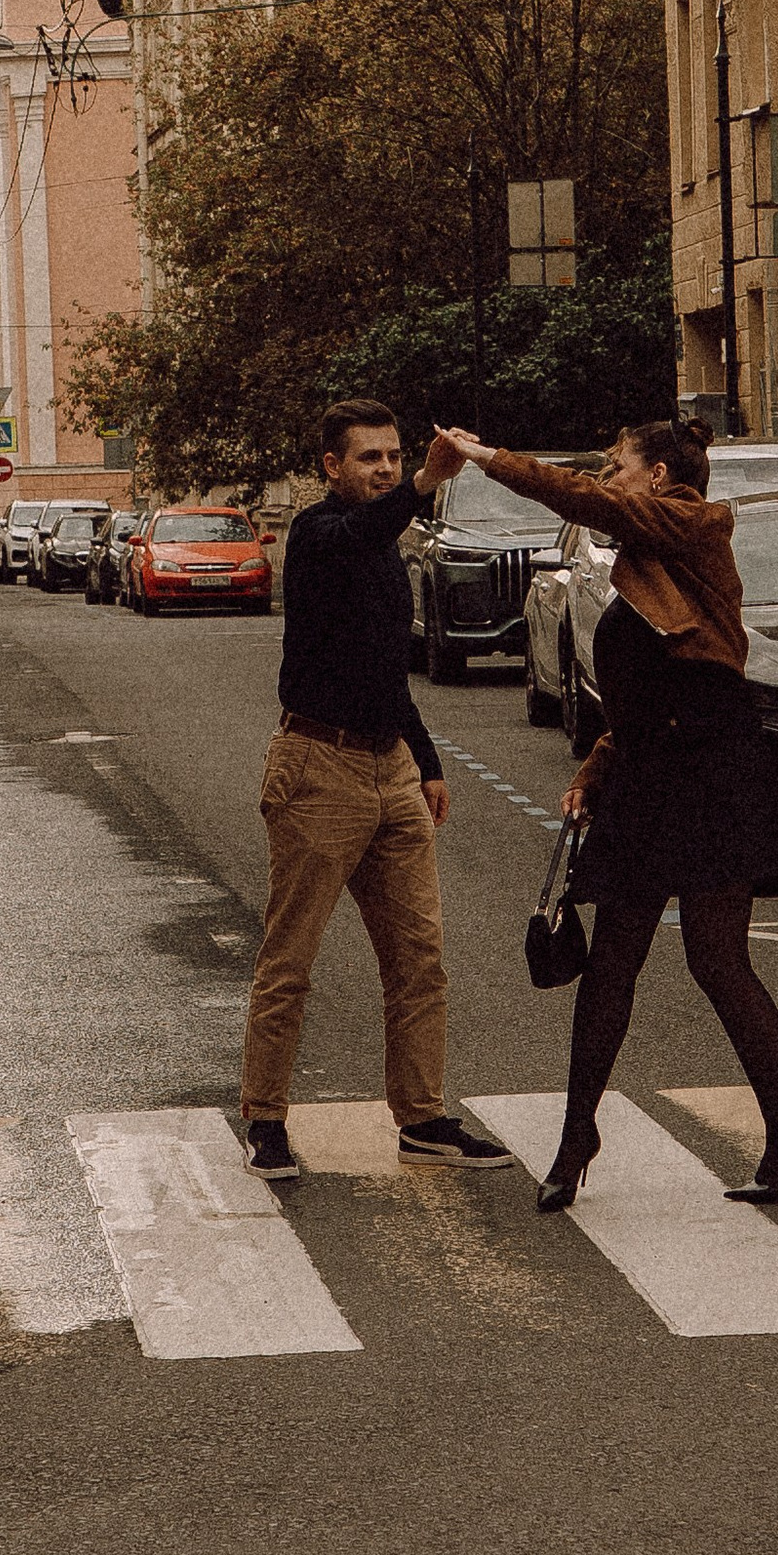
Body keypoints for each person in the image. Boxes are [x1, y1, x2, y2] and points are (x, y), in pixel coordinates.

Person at [435, 417, 778, 1214]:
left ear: (658, 476)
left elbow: (694, 684)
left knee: (717, 962)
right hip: (652, 774)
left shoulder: (694, 524)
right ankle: (578, 1138)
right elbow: (647, 694)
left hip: (709, 769)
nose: (608, 477)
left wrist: (486, 457)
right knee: (612, 963)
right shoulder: (649, 551)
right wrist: (595, 771)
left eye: (618, 465)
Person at [239, 398, 511, 1181]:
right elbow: (361, 532)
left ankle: (422, 1116)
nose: (386, 469)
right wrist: (427, 480)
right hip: (317, 767)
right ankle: (265, 1119)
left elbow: (387, 670)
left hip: (388, 764)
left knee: (419, 959)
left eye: (394, 457)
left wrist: (425, 760)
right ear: (332, 467)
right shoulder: (322, 536)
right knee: (290, 960)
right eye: (371, 458)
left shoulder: (386, 548)